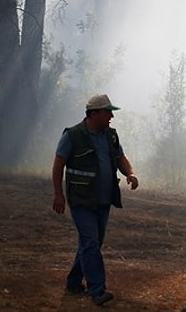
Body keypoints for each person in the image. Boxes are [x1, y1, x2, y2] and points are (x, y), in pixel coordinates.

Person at [52, 94, 139, 306]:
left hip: (103, 200)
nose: (111, 116)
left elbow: (120, 158)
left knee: (92, 243)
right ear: (94, 113)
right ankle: (97, 290)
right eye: (108, 112)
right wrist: (58, 194)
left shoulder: (110, 136)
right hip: (81, 200)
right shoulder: (73, 135)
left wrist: (130, 173)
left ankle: (74, 282)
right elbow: (58, 165)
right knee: (90, 242)